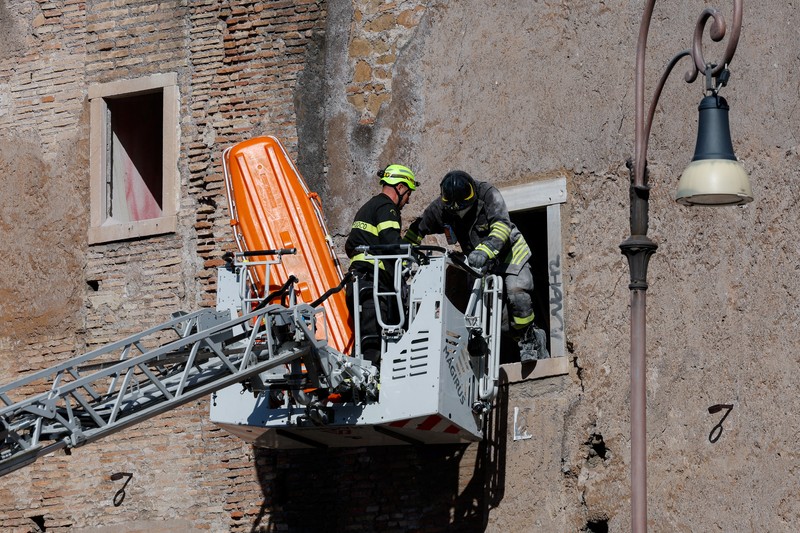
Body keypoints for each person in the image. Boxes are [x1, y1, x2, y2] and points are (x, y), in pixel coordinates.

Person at [404, 170, 549, 361]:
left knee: (517, 291)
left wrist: (485, 250)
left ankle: (530, 338)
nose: (459, 213)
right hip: (479, 264)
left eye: (464, 208)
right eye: (455, 210)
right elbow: (418, 228)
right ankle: (519, 337)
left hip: (510, 253)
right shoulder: (441, 208)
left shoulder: (488, 194)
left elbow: (501, 226)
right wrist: (406, 253)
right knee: (499, 318)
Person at [345, 164, 418, 364]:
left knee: (365, 341)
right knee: (374, 346)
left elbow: (349, 245)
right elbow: (391, 242)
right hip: (372, 285)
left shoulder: (368, 207)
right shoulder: (387, 208)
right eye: (408, 193)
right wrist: (416, 253)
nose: (408, 200)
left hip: (359, 283)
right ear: (401, 187)